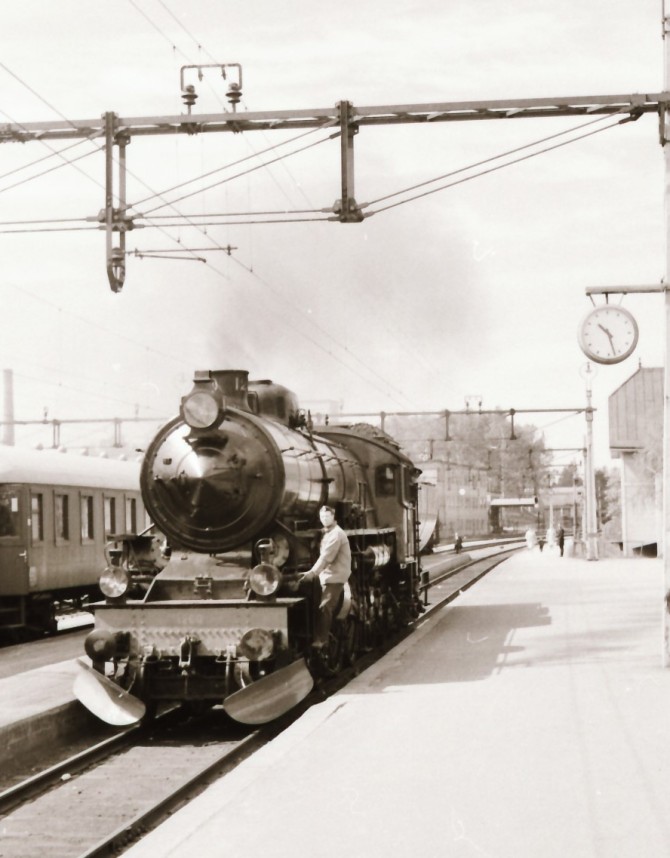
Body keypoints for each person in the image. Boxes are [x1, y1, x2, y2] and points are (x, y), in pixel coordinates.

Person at [300, 505, 352, 651]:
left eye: (327, 516)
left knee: (325, 606)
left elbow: (326, 557)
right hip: (326, 576)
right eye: (322, 517)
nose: (324, 519)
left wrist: (312, 573)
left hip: (335, 577)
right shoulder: (327, 533)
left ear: (333, 517)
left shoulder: (336, 534)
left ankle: (322, 640)